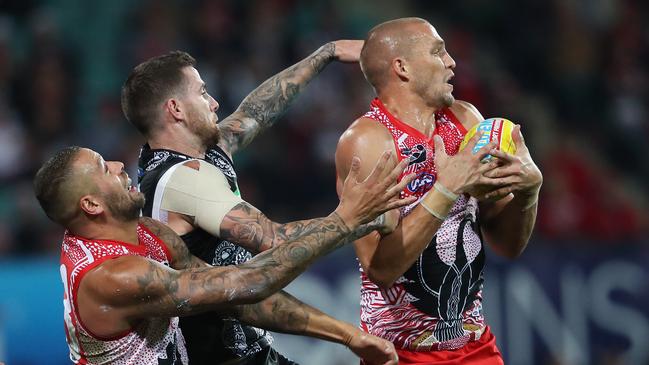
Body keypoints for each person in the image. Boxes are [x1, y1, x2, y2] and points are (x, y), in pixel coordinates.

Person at [121, 42, 402, 364]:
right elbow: (274, 241)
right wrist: (365, 216)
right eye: (201, 93)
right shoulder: (184, 180)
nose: (213, 103)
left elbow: (256, 111)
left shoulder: (200, 150)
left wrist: (325, 54)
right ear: (175, 109)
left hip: (249, 346)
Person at [34, 146, 414, 364]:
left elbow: (233, 301)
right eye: (104, 168)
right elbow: (248, 282)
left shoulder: (147, 233)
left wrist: (348, 336)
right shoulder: (115, 277)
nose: (118, 165)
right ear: (90, 203)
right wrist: (345, 220)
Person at [334, 18, 543, 364]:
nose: (451, 62)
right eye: (438, 51)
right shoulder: (368, 143)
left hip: (476, 346)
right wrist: (447, 189)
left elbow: (508, 246)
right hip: (401, 353)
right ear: (403, 68)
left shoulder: (466, 120)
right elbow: (381, 269)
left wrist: (528, 193)